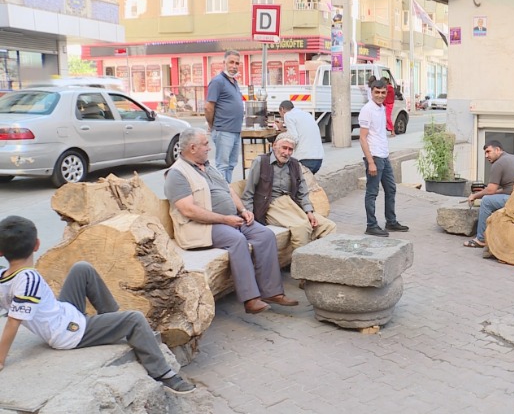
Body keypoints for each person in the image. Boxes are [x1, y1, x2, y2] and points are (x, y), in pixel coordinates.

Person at [0, 215, 196, 394]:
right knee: (135, 319)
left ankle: (110, 318)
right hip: (67, 332)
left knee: (82, 268)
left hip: (64, 313)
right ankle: (164, 374)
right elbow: (13, 322)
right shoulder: (28, 280)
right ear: (37, 245)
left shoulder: (4, 277)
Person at [164, 128, 298, 314]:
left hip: (229, 220)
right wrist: (225, 219)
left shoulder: (209, 167)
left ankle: (271, 291)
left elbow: (229, 191)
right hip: (201, 227)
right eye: (205, 144)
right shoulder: (177, 173)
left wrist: (243, 210)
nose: (209, 148)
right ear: (192, 148)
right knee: (237, 239)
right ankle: (250, 299)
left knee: (265, 235)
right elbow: (189, 210)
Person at [241, 132, 336, 251]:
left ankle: (321, 259)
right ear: (275, 145)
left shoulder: (295, 164)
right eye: (284, 148)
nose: (287, 153)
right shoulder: (261, 162)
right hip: (271, 206)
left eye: (290, 149)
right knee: (301, 227)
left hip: (292, 204)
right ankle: (302, 266)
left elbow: (303, 192)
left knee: (329, 226)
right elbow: (248, 193)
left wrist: (309, 211)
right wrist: (250, 215)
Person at [359, 80, 409, 237]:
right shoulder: (367, 110)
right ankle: (371, 225)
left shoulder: (381, 108)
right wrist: (371, 162)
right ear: (371, 92)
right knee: (372, 192)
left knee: (391, 189)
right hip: (374, 157)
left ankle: (391, 222)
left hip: (384, 155)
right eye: (377, 92)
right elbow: (362, 138)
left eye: (383, 93)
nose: (380, 95)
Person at [463, 140, 514, 248]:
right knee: (491, 198)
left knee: (486, 201)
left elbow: (490, 190)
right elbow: (508, 188)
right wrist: (494, 192)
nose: (486, 156)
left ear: (497, 150)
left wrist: (474, 196)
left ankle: (481, 239)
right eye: (485, 153)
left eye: (488, 152)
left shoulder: (499, 163)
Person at [206, 50, 244, 182]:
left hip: (235, 131)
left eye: (237, 63)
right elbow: (209, 107)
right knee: (222, 166)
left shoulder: (234, 82)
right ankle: (222, 195)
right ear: (224, 63)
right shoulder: (218, 81)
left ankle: (228, 192)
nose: (234, 66)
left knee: (231, 165)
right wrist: (212, 125)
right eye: (231, 62)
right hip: (223, 130)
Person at [277, 100, 325, 174]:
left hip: (305, 159)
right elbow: (299, 132)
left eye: (279, 113)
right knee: (305, 184)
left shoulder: (288, 115)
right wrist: (282, 129)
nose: (281, 116)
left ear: (282, 109)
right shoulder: (305, 114)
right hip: (318, 158)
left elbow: (294, 138)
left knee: (293, 180)